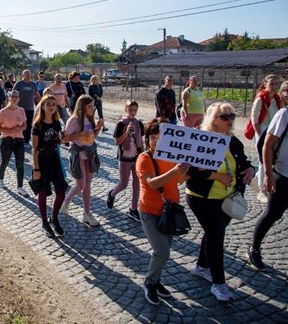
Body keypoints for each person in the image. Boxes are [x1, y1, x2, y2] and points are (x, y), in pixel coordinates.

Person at [186, 102, 254, 302]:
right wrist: (217, 176)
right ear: (213, 120)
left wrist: (250, 169)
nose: (230, 120)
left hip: (227, 199)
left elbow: (243, 162)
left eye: (232, 116)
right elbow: (190, 171)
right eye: (224, 117)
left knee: (212, 233)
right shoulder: (203, 140)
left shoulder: (233, 141)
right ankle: (219, 284)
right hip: (203, 198)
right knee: (216, 238)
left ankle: (201, 267)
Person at [136, 118, 190, 305]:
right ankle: (149, 283)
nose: (156, 142)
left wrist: (185, 170)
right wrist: (175, 171)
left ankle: (156, 280)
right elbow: (152, 183)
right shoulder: (144, 158)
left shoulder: (172, 156)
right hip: (150, 211)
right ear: (147, 139)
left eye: (160, 138)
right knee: (162, 252)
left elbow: (180, 181)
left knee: (164, 251)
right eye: (152, 137)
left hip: (169, 211)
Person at [248, 80, 288, 270]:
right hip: (284, 172)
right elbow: (267, 144)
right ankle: (254, 248)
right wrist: (268, 174)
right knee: (273, 214)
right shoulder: (285, 114)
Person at [61, 95, 104, 227]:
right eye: (90, 106)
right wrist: (80, 134)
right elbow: (65, 139)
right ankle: (67, 200)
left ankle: (87, 213)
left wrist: (98, 128)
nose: (93, 109)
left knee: (88, 183)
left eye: (93, 106)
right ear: (82, 106)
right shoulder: (73, 120)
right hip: (78, 153)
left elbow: (92, 138)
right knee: (81, 184)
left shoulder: (90, 119)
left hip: (90, 153)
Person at [32, 95, 69, 237]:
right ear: (42, 106)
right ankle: (44, 222)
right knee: (42, 192)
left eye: (53, 104)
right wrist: (36, 169)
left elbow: (57, 141)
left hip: (54, 159)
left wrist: (62, 139)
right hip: (41, 161)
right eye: (48, 104)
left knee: (61, 191)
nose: (52, 106)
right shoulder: (38, 125)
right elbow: (34, 149)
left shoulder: (56, 122)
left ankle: (53, 218)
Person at [106, 100, 144, 221]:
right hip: (125, 158)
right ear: (126, 110)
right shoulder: (121, 124)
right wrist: (127, 132)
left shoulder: (138, 124)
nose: (133, 112)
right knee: (124, 183)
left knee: (136, 184)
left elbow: (141, 140)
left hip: (136, 156)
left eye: (135, 110)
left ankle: (133, 209)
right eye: (130, 110)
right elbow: (117, 142)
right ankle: (111, 194)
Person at [247, 74, 283, 200]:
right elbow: (254, 119)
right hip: (262, 130)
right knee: (264, 160)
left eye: (276, 84)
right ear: (265, 84)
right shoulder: (260, 98)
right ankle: (262, 190)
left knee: (272, 158)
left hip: (273, 130)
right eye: (271, 83)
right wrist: (259, 135)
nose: (274, 86)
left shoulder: (277, 99)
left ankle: (258, 177)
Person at [0, 90, 27, 196]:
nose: (15, 98)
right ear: (9, 98)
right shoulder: (3, 111)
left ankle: (20, 187)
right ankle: (1, 179)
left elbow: (25, 126)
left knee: (20, 165)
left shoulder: (21, 110)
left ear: (19, 99)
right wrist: (10, 131)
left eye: (16, 97)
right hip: (6, 140)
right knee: (4, 162)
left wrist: (20, 128)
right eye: (13, 96)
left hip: (19, 140)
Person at [13, 70, 41, 145]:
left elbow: (37, 95)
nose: (28, 76)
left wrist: (41, 104)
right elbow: (13, 95)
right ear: (23, 75)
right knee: (19, 124)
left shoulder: (33, 84)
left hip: (30, 109)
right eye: (26, 74)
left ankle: (26, 140)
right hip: (19, 108)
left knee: (28, 125)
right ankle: (18, 139)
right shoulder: (18, 84)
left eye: (29, 74)